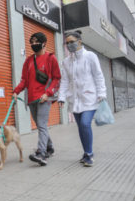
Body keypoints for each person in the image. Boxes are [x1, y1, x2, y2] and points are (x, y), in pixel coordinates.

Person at [58, 30, 107, 167]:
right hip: (74, 100)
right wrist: (61, 97)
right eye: (67, 43)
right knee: (81, 128)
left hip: (90, 98)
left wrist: (101, 93)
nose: (69, 45)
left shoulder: (90, 56)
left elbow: (98, 75)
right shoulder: (66, 61)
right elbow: (65, 81)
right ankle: (86, 153)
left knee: (85, 124)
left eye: (72, 42)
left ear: (79, 41)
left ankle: (90, 154)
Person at [12, 32, 61, 166]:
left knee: (41, 124)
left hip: (44, 98)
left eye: (36, 41)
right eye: (31, 42)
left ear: (44, 43)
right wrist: (16, 91)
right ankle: (50, 148)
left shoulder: (51, 58)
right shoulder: (28, 60)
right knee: (41, 125)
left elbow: (57, 78)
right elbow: (24, 80)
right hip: (32, 99)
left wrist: (48, 93)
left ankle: (41, 154)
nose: (33, 44)